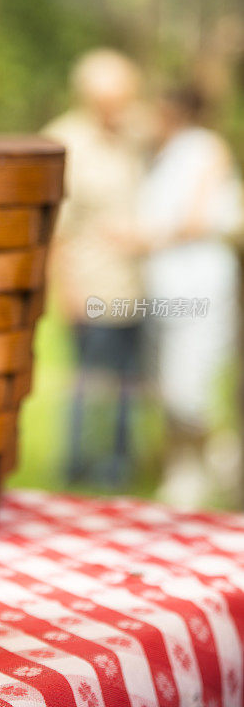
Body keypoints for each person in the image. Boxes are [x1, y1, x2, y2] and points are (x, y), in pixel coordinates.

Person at [133, 86, 243, 507]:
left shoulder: (205, 149)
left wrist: (143, 240)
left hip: (199, 286)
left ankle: (210, 462)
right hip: (167, 286)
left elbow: (197, 220)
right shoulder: (166, 153)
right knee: (165, 384)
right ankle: (190, 465)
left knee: (187, 387)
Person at [43, 49, 146, 487]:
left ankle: (117, 470)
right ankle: (79, 470)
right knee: (91, 385)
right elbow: (53, 228)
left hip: (134, 286)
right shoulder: (65, 141)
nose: (123, 106)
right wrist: (68, 289)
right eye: (115, 98)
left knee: (127, 387)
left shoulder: (132, 136)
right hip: (92, 285)